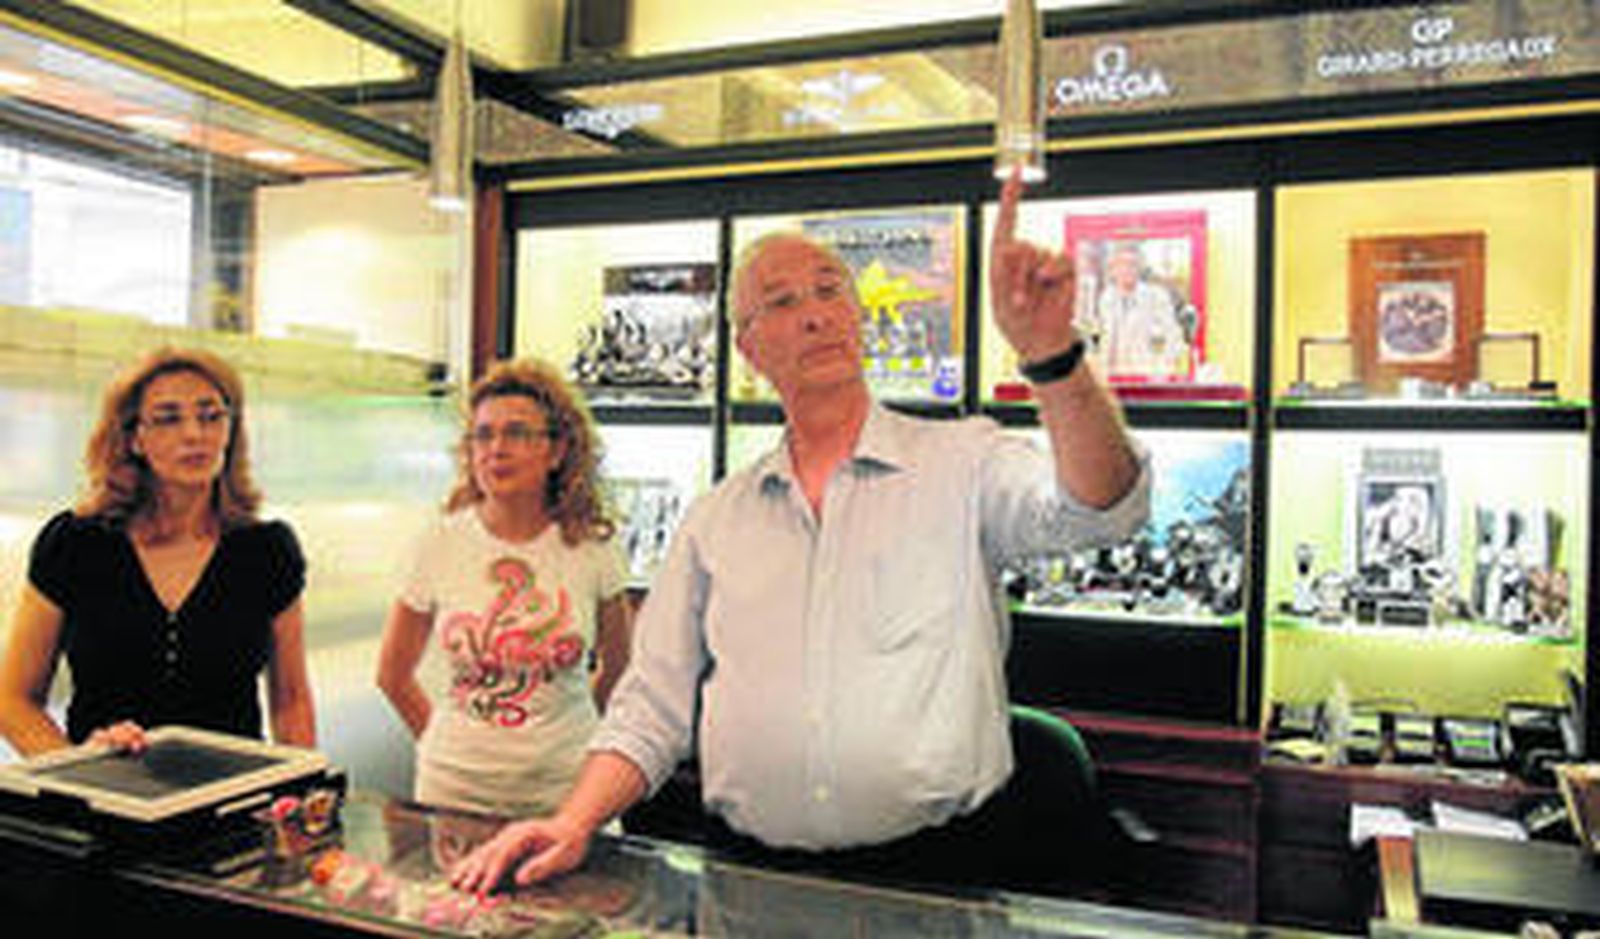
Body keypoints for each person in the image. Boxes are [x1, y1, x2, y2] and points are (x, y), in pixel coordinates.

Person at [449, 173, 1149, 894]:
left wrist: (1053, 360)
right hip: (746, 881)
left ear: (858, 316)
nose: (814, 314)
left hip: (937, 879)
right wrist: (573, 820)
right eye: (781, 302)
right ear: (748, 348)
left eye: (828, 290)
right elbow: (650, 707)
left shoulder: (963, 461)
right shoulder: (717, 519)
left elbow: (1102, 507)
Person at [0, 347, 315, 756]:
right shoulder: (74, 544)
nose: (194, 434)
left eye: (211, 416)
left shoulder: (268, 551)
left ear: (231, 430)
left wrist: (307, 795)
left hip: (230, 803)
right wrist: (76, 770)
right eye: (168, 418)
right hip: (106, 806)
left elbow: (291, 703)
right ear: (134, 438)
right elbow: (13, 700)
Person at [377, 359, 634, 817]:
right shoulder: (439, 541)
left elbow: (620, 667)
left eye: (516, 433)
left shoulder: (595, 547)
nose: (496, 448)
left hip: (565, 794)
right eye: (484, 434)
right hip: (452, 792)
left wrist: (566, 736)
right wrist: (444, 744)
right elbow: (392, 675)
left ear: (556, 452)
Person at [1088, 241, 1188, 377]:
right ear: (1112, 269)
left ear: (1140, 268)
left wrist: (1161, 372)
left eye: (1132, 264)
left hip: (1147, 378)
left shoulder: (1156, 296)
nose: (1127, 269)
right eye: (1122, 264)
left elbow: (1174, 338)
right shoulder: (1106, 299)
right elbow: (1101, 341)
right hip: (1113, 378)